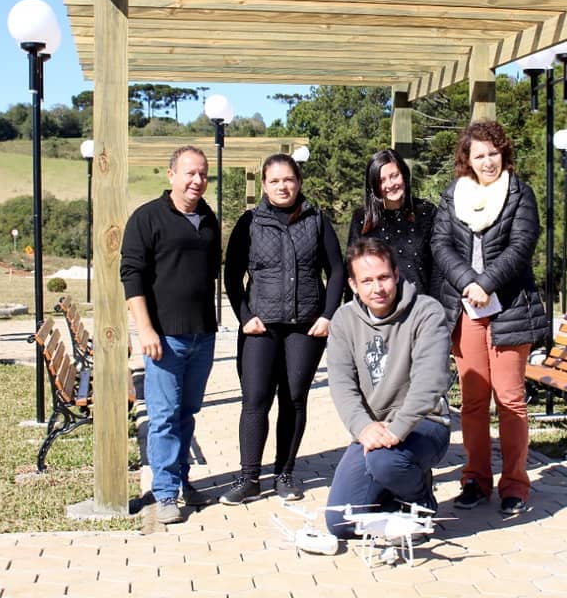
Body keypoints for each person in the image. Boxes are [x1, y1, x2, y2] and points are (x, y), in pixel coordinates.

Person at [431, 121, 549, 516]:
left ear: (504, 154)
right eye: (479, 155)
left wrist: (486, 283)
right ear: (467, 158)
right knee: (473, 401)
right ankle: (475, 480)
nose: (487, 162)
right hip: (465, 309)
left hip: (509, 308)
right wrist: (468, 283)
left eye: (493, 153)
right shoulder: (454, 195)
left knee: (511, 399)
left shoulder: (519, 194)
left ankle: (515, 484)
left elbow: (521, 246)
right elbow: (440, 243)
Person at [221, 153, 345, 504]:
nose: (282, 186)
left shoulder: (317, 220)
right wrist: (245, 316)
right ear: (264, 185)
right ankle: (248, 477)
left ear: (299, 182)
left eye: (288, 179)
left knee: (293, 399)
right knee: (256, 400)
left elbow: (336, 270)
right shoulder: (249, 223)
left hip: (305, 327)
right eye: (274, 181)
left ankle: (285, 473)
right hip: (260, 326)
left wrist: (328, 314)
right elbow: (232, 275)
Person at [325, 238, 451, 539]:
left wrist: (396, 431)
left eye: (383, 277)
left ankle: (420, 500)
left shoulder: (426, 312)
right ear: (354, 285)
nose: (377, 288)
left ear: (396, 274)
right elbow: (342, 385)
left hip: (424, 424)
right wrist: (364, 428)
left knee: (386, 461)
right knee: (339, 524)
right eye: (366, 281)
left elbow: (429, 382)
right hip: (374, 430)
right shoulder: (343, 320)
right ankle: (392, 492)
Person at [120, 146, 220, 525]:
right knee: (162, 417)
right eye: (190, 173)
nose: (197, 181)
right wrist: (145, 329)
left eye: (203, 174)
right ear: (171, 175)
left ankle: (181, 480)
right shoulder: (147, 218)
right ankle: (164, 494)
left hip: (202, 335)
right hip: (164, 337)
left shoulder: (208, 217)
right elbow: (132, 276)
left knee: (187, 412)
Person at [346, 149, 437, 297]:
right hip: (377, 308)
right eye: (381, 180)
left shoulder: (426, 212)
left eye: (394, 176)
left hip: (421, 306)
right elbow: (352, 268)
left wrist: (436, 307)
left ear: (404, 175)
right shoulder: (362, 218)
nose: (390, 184)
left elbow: (437, 268)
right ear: (373, 185)